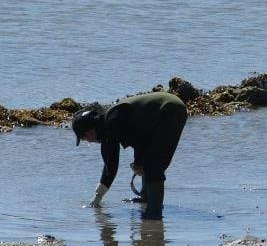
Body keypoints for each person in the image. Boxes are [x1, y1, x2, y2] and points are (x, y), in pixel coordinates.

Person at [72, 91, 188, 220]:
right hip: (162, 115)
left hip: (169, 109)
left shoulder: (114, 120)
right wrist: (98, 197)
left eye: (84, 138)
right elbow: (110, 164)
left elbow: (140, 141)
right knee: (147, 162)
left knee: (152, 163)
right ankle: (146, 198)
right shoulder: (107, 129)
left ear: (89, 132)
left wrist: (138, 162)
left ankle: (154, 212)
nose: (88, 141)